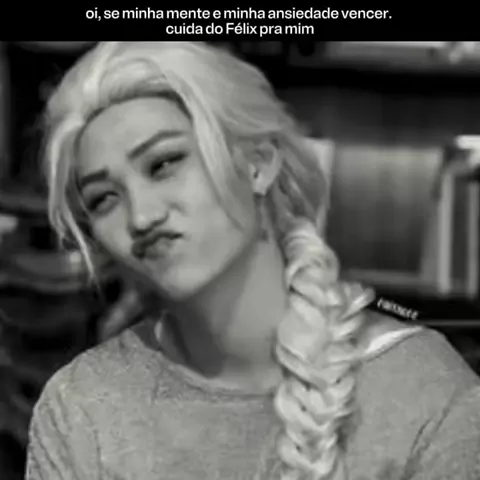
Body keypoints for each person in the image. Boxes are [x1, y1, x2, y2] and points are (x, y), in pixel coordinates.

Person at [24, 41, 480, 480]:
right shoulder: (81, 408)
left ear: (257, 165)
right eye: (104, 198)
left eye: (164, 164)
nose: (141, 217)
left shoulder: (422, 389)